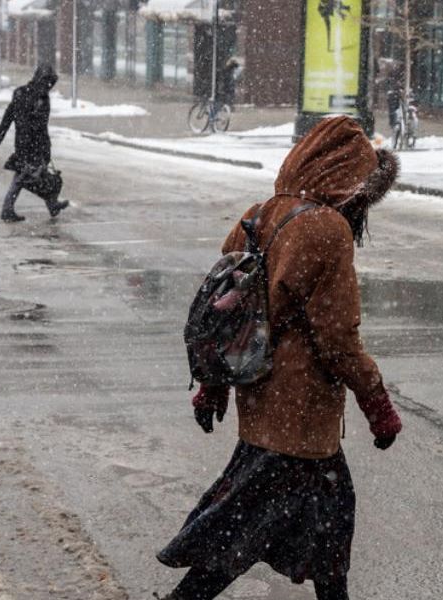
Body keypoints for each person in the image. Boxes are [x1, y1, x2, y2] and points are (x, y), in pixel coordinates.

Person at [157, 116, 404, 600]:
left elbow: (227, 313)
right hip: (301, 414)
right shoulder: (327, 228)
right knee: (242, 532)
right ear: (346, 180)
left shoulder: (260, 213)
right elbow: (338, 339)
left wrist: (213, 386)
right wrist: (377, 403)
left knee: (317, 529)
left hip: (262, 402)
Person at [0, 64, 69, 222]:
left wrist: (0, 134)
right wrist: (44, 147)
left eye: (50, 83)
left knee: (35, 174)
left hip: (27, 142)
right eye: (46, 81)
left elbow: (10, 115)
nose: (48, 86)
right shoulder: (37, 97)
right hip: (31, 143)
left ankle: (51, 205)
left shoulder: (23, 93)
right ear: (39, 79)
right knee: (23, 176)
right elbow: (36, 125)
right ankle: (7, 209)